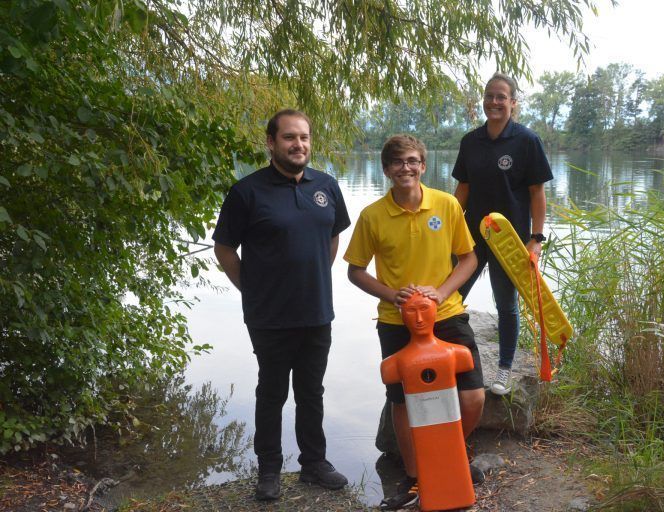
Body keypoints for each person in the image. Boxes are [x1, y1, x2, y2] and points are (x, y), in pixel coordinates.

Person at [212, 109, 351, 501]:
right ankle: (269, 470)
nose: (299, 144)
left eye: (304, 137)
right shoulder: (247, 192)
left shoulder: (326, 185)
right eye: (290, 137)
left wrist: (316, 278)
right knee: (271, 393)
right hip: (269, 316)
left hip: (317, 311)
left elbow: (332, 235)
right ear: (271, 143)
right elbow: (224, 248)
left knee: (312, 391)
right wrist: (252, 290)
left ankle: (314, 463)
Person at [344, 134, 485, 510]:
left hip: (448, 313)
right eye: (396, 162)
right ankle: (414, 478)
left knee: (473, 396)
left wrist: (440, 293)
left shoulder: (448, 204)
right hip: (396, 321)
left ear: (423, 165)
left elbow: (469, 260)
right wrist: (392, 295)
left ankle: (450, 454)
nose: (405, 168)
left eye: (411, 161)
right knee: (404, 403)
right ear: (387, 170)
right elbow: (355, 271)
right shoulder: (372, 216)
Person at [452, 72, 553, 396]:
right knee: (452, 297)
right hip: (471, 237)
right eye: (489, 96)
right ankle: (448, 360)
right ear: (483, 100)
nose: (494, 102)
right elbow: (462, 191)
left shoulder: (526, 141)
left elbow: (537, 193)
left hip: (510, 239)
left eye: (501, 97)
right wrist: (445, 231)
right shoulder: (470, 142)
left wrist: (536, 239)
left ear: (512, 102)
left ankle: (504, 369)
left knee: (506, 305)